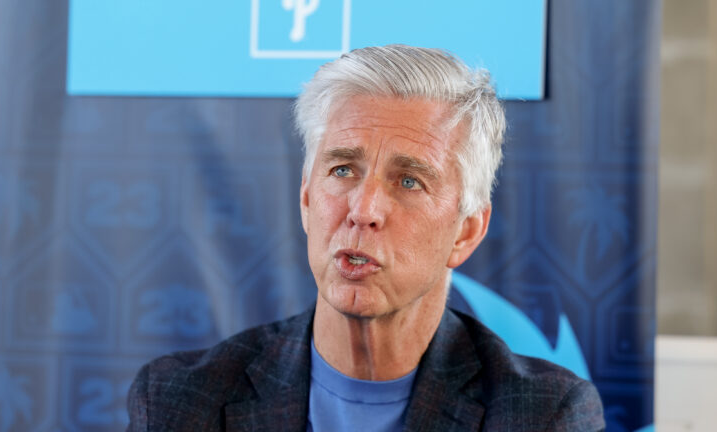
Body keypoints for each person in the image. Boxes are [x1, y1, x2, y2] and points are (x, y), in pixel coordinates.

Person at [126, 44, 605, 431]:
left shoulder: (543, 415)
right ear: (307, 201)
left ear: (466, 231)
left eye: (409, 181)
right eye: (342, 169)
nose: (364, 210)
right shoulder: (181, 402)